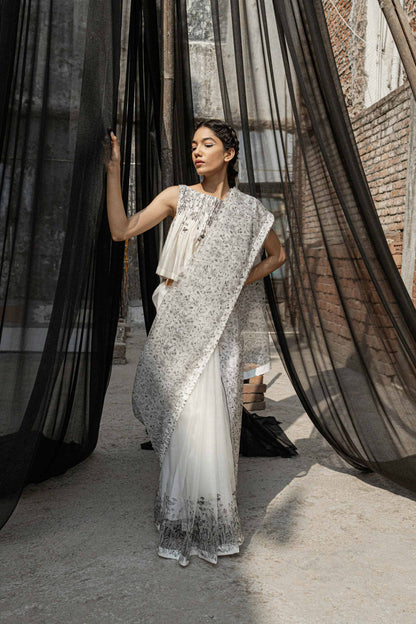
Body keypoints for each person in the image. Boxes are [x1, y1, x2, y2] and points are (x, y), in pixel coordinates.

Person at [106, 119, 286, 566]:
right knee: (183, 417)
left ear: (229, 154)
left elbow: (278, 255)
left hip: (218, 326)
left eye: (207, 144)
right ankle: (177, 516)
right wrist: (113, 172)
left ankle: (211, 520)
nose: (197, 152)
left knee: (212, 420)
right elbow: (121, 230)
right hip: (179, 321)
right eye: (193, 145)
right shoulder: (177, 197)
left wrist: (237, 283)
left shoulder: (249, 211)